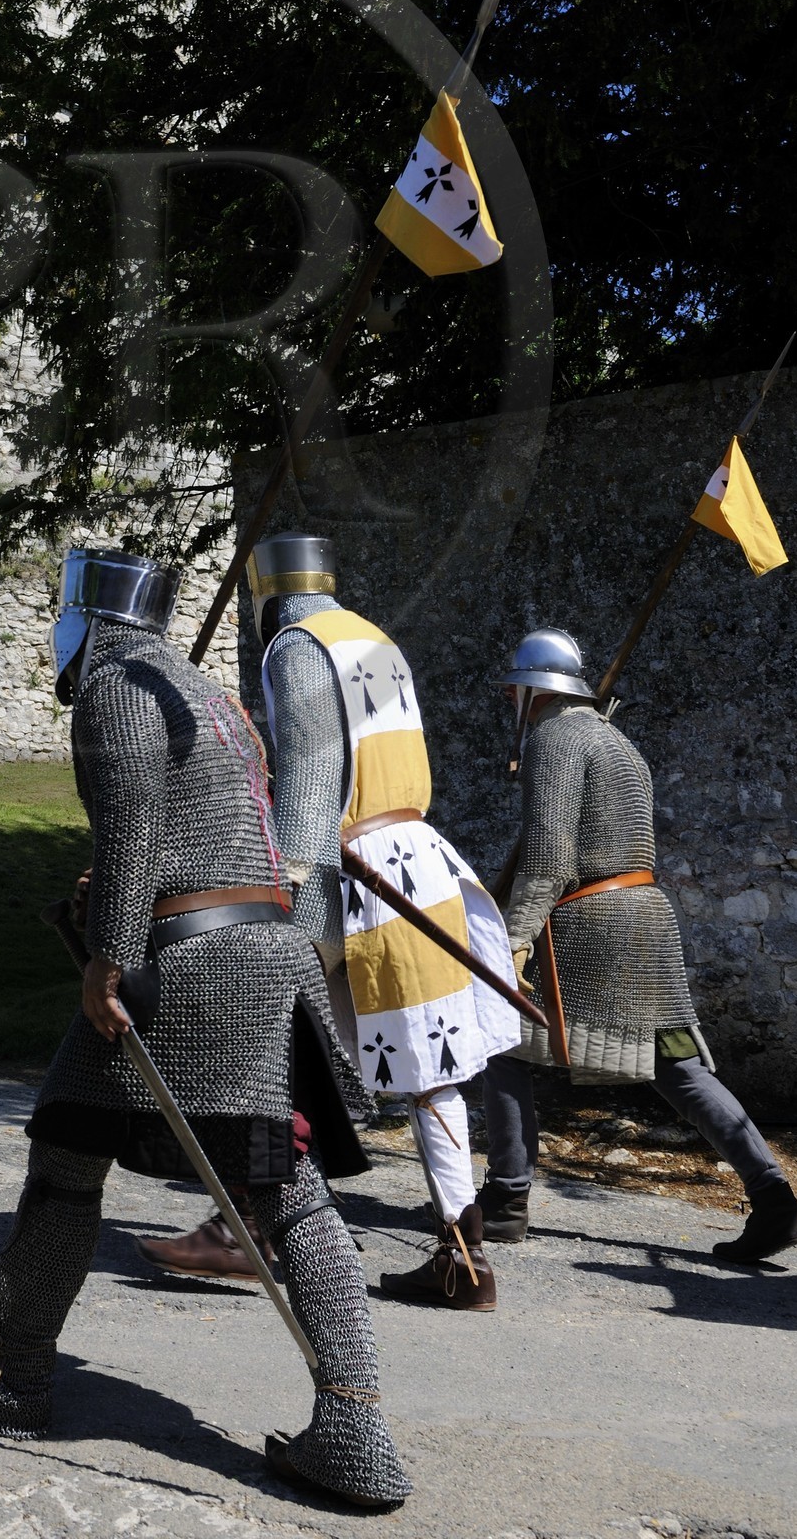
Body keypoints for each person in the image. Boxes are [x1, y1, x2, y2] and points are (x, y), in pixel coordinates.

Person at [0, 545, 410, 1514]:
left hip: (187, 967)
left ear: (84, 617)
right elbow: (209, 831)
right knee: (287, 1188)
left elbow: (131, 830)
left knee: (64, 1155)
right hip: (265, 952)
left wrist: (106, 960)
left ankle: (12, 1375)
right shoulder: (206, 692)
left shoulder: (116, 685)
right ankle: (354, 1424)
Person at [140, 533, 521, 1309]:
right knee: (429, 1071)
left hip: (359, 870)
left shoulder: (297, 647)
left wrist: (288, 905)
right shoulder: (374, 639)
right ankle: (463, 1255)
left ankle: (247, 1222)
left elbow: (312, 790)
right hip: (419, 859)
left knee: (283, 1039)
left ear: (264, 594)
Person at [478, 627, 797, 1267]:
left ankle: (507, 1196)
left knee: (502, 1039)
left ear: (530, 692)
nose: (509, 703)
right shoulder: (613, 739)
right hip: (645, 924)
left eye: (512, 691)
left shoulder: (553, 738)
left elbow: (549, 861)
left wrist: (511, 945)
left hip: (590, 928)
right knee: (677, 1063)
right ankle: (774, 1198)